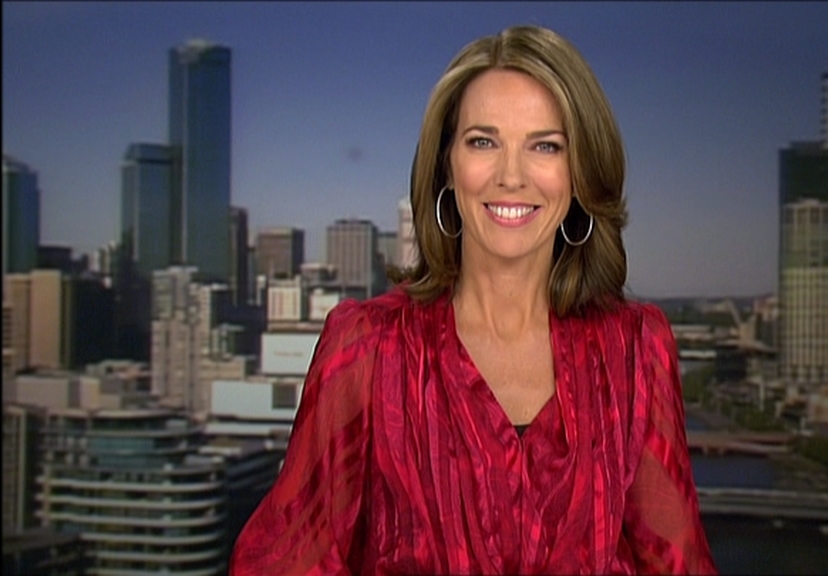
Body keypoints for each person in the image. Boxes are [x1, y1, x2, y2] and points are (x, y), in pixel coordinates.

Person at [231, 24, 717, 575]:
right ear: (447, 164)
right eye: (483, 141)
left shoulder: (634, 350)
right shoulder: (368, 348)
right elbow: (288, 559)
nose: (511, 176)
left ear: (580, 172)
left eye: (545, 146)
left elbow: (677, 563)